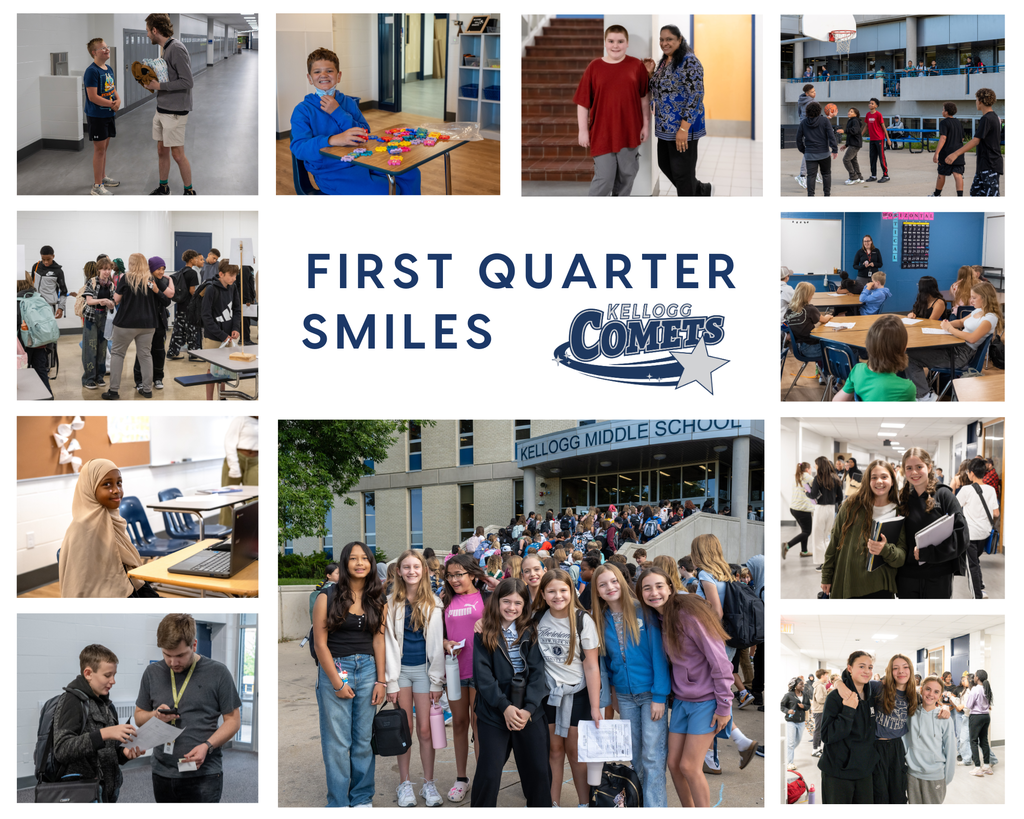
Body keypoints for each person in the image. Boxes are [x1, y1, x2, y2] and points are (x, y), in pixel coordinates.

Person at [638, 567, 732, 807]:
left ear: (670, 587)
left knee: (689, 766)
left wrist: (724, 706)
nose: (654, 592)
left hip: (706, 701)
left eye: (659, 586)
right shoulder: (658, 619)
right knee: (674, 765)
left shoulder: (688, 615)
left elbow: (719, 660)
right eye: (646, 588)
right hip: (681, 701)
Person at [135, 614, 242, 802]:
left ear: (194, 645)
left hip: (204, 774)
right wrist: (155, 716)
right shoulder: (152, 673)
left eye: (180, 656)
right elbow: (138, 716)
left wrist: (207, 746)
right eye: (167, 655)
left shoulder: (218, 673)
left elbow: (233, 721)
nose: (173, 663)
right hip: (162, 772)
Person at [310, 542, 386, 807]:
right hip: (336, 667)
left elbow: (379, 641)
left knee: (363, 740)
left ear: (371, 563)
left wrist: (381, 680)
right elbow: (320, 644)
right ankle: (339, 802)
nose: (359, 563)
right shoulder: (326, 596)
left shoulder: (377, 597)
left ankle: (362, 797)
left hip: (367, 670)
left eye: (364, 558)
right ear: (345, 563)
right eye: (353, 558)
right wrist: (336, 682)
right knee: (338, 743)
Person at [591, 563, 670, 805]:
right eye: (602, 584)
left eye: (614, 581)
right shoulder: (599, 619)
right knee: (636, 757)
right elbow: (606, 663)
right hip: (624, 697)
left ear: (622, 582)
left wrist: (659, 696)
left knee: (653, 757)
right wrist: (612, 694)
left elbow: (659, 655)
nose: (610, 587)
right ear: (597, 591)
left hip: (650, 694)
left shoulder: (643, 611)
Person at [291, 48, 420, 195]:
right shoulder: (303, 110)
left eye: (329, 71)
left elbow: (366, 134)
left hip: (362, 161)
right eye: (317, 72)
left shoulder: (348, 103)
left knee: (411, 174)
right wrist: (333, 140)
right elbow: (299, 148)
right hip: (332, 172)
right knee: (386, 190)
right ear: (309, 78)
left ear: (338, 76)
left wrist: (337, 112)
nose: (324, 75)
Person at [471, 578, 551, 806]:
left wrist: (528, 709)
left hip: (529, 710)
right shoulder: (484, 631)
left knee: (538, 771)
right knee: (489, 772)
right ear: (496, 601)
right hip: (494, 710)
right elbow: (483, 677)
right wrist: (504, 706)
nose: (512, 608)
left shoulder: (531, 630)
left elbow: (538, 674)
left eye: (518, 603)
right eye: (506, 601)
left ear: (525, 605)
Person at [534, 569, 602, 807]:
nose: (557, 596)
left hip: (577, 695)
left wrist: (595, 706)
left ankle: (584, 804)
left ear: (572, 591)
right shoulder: (537, 619)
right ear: (543, 593)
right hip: (550, 695)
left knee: (575, 752)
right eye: (551, 591)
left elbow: (592, 666)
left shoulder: (583, 620)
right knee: (553, 750)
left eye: (563, 590)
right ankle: (553, 803)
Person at [383, 550, 445, 807]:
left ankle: (428, 783)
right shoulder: (390, 603)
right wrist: (391, 682)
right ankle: (405, 783)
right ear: (399, 571)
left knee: (425, 729)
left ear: (424, 570)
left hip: (424, 671)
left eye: (416, 567)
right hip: (401, 673)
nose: (411, 571)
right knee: (405, 729)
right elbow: (388, 645)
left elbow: (436, 647)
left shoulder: (434, 603)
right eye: (406, 567)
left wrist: (436, 681)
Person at [58, 458, 159, 598]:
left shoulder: (115, 520)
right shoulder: (81, 529)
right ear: (90, 489)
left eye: (119, 483)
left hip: (131, 588)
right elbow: (80, 589)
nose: (116, 490)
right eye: (107, 484)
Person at [52, 644, 141, 802]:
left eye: (114, 675)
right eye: (107, 675)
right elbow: (62, 749)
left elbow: (110, 751)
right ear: (88, 673)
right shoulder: (72, 701)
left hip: (107, 791)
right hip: (83, 793)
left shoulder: (107, 705)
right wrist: (104, 733)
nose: (113, 681)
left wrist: (124, 754)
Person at [573, 25, 649, 197]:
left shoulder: (637, 66)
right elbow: (582, 103)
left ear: (627, 43)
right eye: (611, 41)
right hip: (602, 132)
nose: (616, 45)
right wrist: (583, 131)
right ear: (605, 43)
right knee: (605, 178)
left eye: (620, 41)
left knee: (627, 176)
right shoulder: (594, 67)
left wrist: (645, 125)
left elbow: (644, 98)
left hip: (629, 131)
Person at [820, 459, 906, 599]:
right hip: (849, 582)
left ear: (892, 480)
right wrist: (826, 576)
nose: (879, 481)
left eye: (884, 477)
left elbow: (900, 558)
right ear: (867, 480)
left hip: (880, 586)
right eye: (874, 477)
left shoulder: (898, 512)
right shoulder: (851, 506)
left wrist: (884, 549)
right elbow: (834, 542)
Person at [441, 554, 489, 802]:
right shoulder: (444, 600)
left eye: (459, 574)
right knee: (459, 724)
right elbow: (436, 635)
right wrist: (445, 642)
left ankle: (482, 777)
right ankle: (462, 778)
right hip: (455, 671)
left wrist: (490, 581)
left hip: (481, 672)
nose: (454, 579)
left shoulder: (488, 597)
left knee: (480, 726)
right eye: (450, 575)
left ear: (472, 574)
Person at [642, 25, 710, 196]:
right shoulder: (665, 61)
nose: (664, 43)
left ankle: (696, 194)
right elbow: (660, 88)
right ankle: (702, 190)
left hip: (683, 127)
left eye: (669, 39)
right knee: (665, 164)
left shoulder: (689, 61)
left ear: (679, 40)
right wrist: (650, 74)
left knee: (682, 173)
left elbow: (696, 95)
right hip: (665, 127)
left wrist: (683, 129)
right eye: (661, 39)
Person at [908, 281, 1002, 401]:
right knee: (913, 351)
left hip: (961, 355)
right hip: (955, 347)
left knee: (910, 357)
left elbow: (972, 338)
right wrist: (947, 324)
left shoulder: (990, 318)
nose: (971, 300)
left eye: (974, 297)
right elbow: (961, 322)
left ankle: (925, 396)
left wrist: (950, 329)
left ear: (985, 298)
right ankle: (923, 390)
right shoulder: (978, 311)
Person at [896, 448, 968, 598]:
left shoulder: (944, 495)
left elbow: (962, 535)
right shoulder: (903, 498)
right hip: (907, 576)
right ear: (904, 471)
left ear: (929, 468)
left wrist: (929, 553)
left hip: (938, 575)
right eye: (909, 468)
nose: (914, 472)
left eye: (919, 467)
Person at [101, 253, 173, 400]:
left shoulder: (125, 278)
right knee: (145, 355)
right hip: (148, 325)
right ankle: (147, 390)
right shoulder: (152, 279)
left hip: (126, 324)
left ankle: (113, 391)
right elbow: (167, 298)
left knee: (118, 354)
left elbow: (116, 299)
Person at [144, 14, 196, 195]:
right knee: (161, 150)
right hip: (162, 108)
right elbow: (169, 77)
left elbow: (187, 82)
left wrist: (159, 86)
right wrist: (151, 82)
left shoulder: (176, 48)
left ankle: (189, 191)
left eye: (148, 31)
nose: (148, 35)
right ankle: (163, 187)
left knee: (177, 154)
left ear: (155, 30)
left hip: (175, 111)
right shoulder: (165, 49)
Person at [817, 651, 877, 803]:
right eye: (861, 666)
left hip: (864, 770)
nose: (867, 671)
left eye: (870, 667)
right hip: (838, 771)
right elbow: (827, 735)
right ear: (849, 668)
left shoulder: (872, 696)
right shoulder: (835, 697)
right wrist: (848, 711)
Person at [834, 314, 917, 402]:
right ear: (904, 348)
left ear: (868, 345)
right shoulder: (907, 388)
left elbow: (836, 401)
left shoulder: (857, 370)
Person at [906, 675, 957, 803]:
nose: (931, 694)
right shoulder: (910, 714)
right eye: (928, 689)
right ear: (921, 690)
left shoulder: (945, 718)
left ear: (940, 696)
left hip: (935, 775)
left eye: (936, 692)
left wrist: (947, 777)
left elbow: (950, 749)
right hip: (912, 775)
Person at [945, 88, 1002, 196]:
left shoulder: (987, 119)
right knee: (975, 193)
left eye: (976, 99)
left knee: (991, 196)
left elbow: (976, 140)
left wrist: (956, 153)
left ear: (980, 101)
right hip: (983, 165)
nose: (976, 102)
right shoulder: (993, 117)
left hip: (990, 165)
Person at [956, 458, 999, 599]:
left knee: (971, 565)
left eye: (968, 472)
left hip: (971, 534)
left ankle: (977, 596)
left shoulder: (966, 490)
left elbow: (955, 508)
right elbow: (996, 513)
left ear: (972, 473)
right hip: (985, 533)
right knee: (975, 561)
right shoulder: (991, 489)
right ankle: (980, 587)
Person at [199, 262, 241, 401]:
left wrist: (235, 328)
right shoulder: (211, 289)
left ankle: (222, 397)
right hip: (213, 337)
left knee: (223, 369)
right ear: (221, 274)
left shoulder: (233, 287)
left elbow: (237, 310)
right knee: (212, 370)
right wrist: (221, 335)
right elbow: (206, 315)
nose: (234, 278)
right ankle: (209, 400)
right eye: (231, 275)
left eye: (236, 275)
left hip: (228, 336)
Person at [84, 39, 121, 195]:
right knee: (99, 150)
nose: (107, 50)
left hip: (108, 114)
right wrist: (111, 104)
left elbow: (112, 88)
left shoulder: (108, 68)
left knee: (104, 149)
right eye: (103, 48)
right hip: (97, 115)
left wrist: (117, 99)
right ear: (94, 52)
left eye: (107, 47)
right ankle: (97, 186)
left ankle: (103, 177)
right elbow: (92, 97)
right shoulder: (92, 71)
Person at [132, 256, 173, 392]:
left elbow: (167, 301)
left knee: (159, 351)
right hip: (145, 324)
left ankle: (158, 378)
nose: (161, 272)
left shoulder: (160, 282)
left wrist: (157, 291)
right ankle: (140, 380)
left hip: (159, 323)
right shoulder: (146, 281)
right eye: (158, 269)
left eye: (163, 269)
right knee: (143, 353)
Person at [80, 256, 115, 389]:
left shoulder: (111, 285)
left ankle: (99, 376)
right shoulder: (92, 282)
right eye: (104, 269)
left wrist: (110, 303)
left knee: (102, 348)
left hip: (105, 319)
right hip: (91, 318)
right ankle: (88, 378)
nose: (107, 272)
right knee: (90, 348)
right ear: (99, 269)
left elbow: (113, 303)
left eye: (109, 269)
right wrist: (102, 301)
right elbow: (89, 301)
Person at [784, 282, 831, 375]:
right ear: (808, 295)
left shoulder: (789, 310)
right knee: (843, 350)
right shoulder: (810, 309)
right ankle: (830, 376)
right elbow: (824, 320)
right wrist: (829, 316)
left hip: (798, 348)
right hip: (811, 349)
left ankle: (823, 374)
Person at [166, 249, 204, 360]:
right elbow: (192, 291)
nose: (197, 260)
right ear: (192, 259)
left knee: (178, 330)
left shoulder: (181, 271)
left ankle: (172, 352)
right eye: (196, 258)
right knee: (191, 330)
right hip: (190, 306)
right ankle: (193, 354)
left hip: (181, 305)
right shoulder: (192, 273)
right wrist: (200, 297)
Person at [807, 457, 843, 570]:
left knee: (818, 537)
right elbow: (840, 497)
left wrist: (807, 493)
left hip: (821, 509)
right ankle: (830, 561)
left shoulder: (818, 478)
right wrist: (832, 502)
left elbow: (813, 495)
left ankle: (822, 563)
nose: (814, 467)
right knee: (827, 537)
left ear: (820, 465)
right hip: (831, 509)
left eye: (816, 464)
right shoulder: (835, 478)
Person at [796, 101, 838, 196]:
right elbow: (831, 136)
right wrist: (834, 149)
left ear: (807, 111)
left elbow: (798, 139)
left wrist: (804, 151)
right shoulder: (825, 121)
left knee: (811, 176)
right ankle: (827, 195)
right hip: (824, 153)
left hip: (810, 154)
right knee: (826, 174)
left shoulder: (803, 123)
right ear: (819, 111)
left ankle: (811, 196)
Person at [930, 102, 965, 196]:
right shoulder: (958, 123)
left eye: (943, 109)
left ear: (946, 111)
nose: (942, 111)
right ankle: (960, 197)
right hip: (958, 153)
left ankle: (937, 195)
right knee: (958, 175)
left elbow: (943, 137)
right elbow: (962, 138)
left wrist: (936, 153)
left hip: (946, 154)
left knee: (941, 174)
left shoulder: (944, 122)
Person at [964, 669, 994, 775]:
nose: (974, 677)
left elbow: (969, 705)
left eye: (975, 675)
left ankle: (977, 767)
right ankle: (986, 766)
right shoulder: (987, 689)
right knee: (984, 741)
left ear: (977, 678)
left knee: (973, 741)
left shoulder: (975, 690)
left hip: (976, 717)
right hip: (986, 716)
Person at [784, 462, 814, 559]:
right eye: (810, 468)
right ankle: (787, 545)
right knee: (807, 532)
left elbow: (807, 489)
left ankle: (804, 551)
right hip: (803, 510)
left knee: (804, 531)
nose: (811, 470)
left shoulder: (797, 477)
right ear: (807, 469)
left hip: (794, 509)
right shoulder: (807, 476)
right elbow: (817, 486)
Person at [793, 84, 816, 188]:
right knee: (810, 151)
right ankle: (802, 175)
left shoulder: (800, 100)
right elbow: (814, 117)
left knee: (815, 150)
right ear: (807, 93)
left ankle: (814, 174)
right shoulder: (812, 102)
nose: (814, 93)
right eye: (812, 92)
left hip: (804, 126)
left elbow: (799, 114)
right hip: (811, 128)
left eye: (814, 91)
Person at [781, 677, 807, 770]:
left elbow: (808, 705)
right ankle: (790, 762)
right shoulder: (788, 695)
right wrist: (788, 711)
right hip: (791, 721)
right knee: (791, 742)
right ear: (795, 686)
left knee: (798, 741)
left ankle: (788, 752)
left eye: (803, 684)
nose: (803, 685)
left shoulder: (805, 695)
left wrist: (804, 706)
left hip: (801, 721)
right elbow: (782, 706)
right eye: (800, 684)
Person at [864, 98, 891, 182]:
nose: (870, 104)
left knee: (881, 157)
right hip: (872, 139)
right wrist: (860, 134)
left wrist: (888, 139)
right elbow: (866, 126)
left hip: (879, 139)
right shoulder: (868, 114)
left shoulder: (878, 115)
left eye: (872, 103)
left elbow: (883, 127)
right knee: (872, 157)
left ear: (876, 106)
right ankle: (873, 175)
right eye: (869, 103)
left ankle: (886, 175)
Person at [836, 106, 865, 184]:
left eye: (852, 111)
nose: (849, 112)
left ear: (856, 114)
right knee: (853, 161)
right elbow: (851, 135)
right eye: (849, 111)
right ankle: (859, 177)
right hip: (854, 143)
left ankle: (853, 177)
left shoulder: (855, 120)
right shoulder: (851, 120)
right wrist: (846, 145)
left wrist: (844, 131)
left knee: (846, 160)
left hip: (855, 144)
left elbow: (855, 131)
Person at [810, 669, 829, 756]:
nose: (827, 677)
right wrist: (829, 698)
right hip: (819, 710)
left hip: (820, 710)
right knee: (818, 730)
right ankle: (814, 750)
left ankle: (818, 748)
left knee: (820, 730)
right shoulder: (820, 686)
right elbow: (820, 699)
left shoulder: (821, 685)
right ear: (822, 676)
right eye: (826, 675)